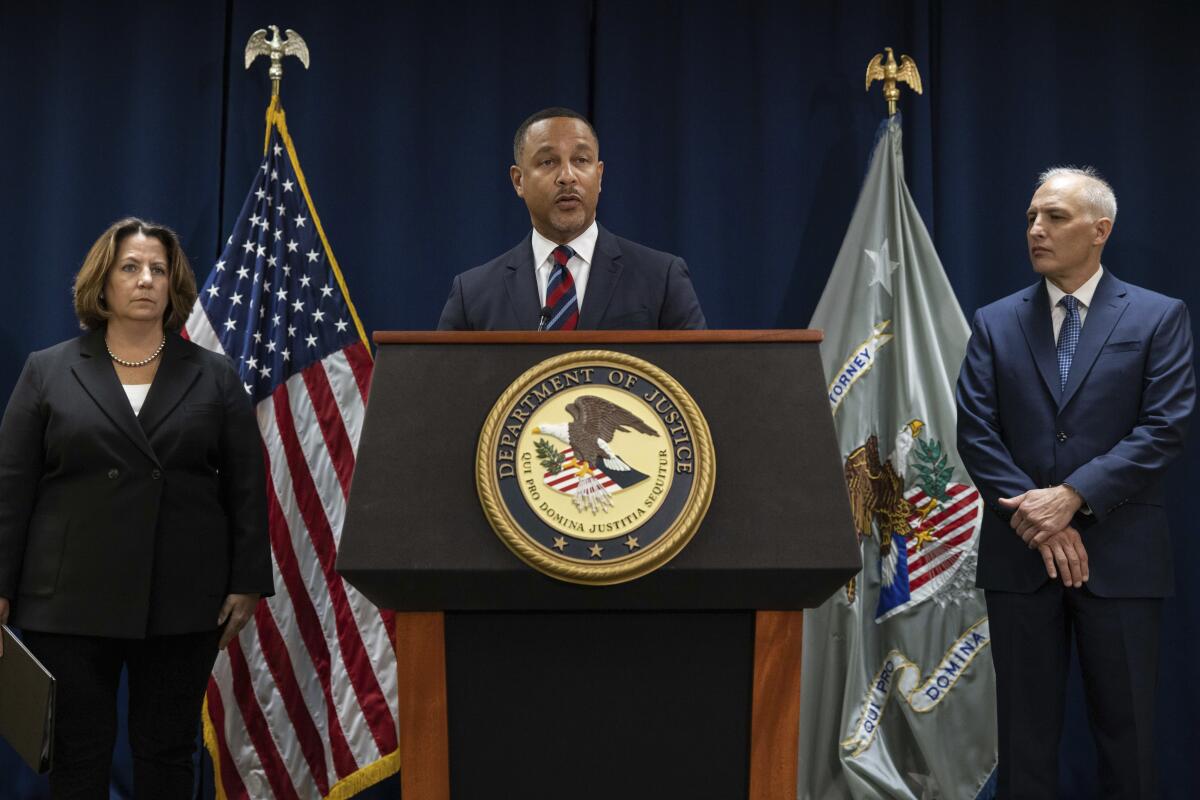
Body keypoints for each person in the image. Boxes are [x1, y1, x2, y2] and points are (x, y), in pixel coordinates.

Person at [0, 218, 273, 797]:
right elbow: (11, 486)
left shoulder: (214, 375)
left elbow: (247, 484)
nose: (145, 279)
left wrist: (247, 581)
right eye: (130, 268)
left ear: (173, 286)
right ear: (102, 284)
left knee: (168, 754)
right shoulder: (46, 369)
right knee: (78, 752)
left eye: (158, 269)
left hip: (180, 599)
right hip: (66, 600)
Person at [956, 167, 1195, 798]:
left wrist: (1072, 497)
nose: (1036, 229)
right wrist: (1038, 521)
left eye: (1054, 217)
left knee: (1129, 739)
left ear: (1100, 230)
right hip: (1021, 558)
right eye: (1032, 217)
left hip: (1121, 556)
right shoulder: (994, 321)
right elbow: (976, 432)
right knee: (1025, 744)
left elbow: (1165, 427)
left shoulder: (1158, 316)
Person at [437, 106, 706, 330]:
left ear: (599, 176)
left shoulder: (661, 278)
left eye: (581, 160)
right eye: (548, 162)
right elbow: (444, 389)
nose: (567, 176)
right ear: (519, 181)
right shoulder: (472, 295)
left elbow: (696, 383)